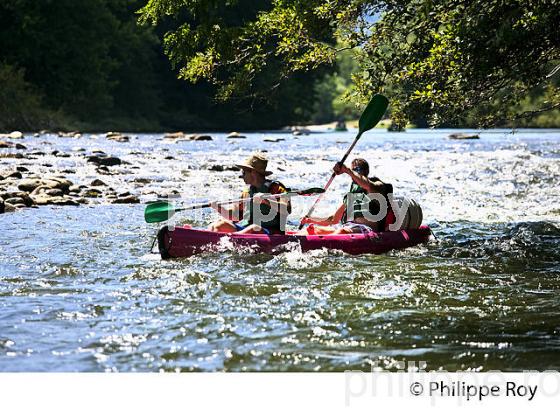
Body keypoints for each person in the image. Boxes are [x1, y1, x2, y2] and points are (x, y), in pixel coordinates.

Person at [300, 158, 395, 234]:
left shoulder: (377, 185)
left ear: (366, 171)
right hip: (348, 227)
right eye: (353, 170)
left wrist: (347, 170)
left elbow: (367, 185)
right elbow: (333, 220)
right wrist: (311, 220)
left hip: (367, 230)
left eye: (357, 170)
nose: (354, 172)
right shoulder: (351, 195)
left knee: (341, 231)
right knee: (312, 229)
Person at [209, 153, 291, 234]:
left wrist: (267, 201)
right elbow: (234, 215)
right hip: (247, 230)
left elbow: (287, 210)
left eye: (244, 173)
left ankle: (231, 240)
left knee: (254, 227)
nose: (242, 176)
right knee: (220, 224)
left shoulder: (276, 188)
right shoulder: (246, 192)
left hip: (270, 232)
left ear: (253, 172)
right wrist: (218, 208)